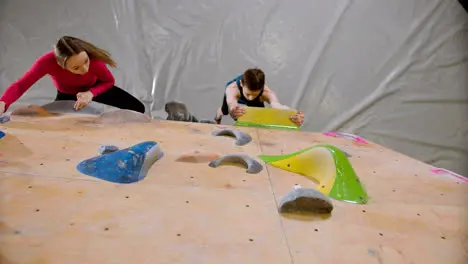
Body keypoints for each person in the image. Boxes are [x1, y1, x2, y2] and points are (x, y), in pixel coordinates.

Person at [0, 36, 145, 115]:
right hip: (67, 94)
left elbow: (108, 81)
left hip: (94, 89)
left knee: (138, 108)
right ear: (61, 65)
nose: (85, 69)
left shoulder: (94, 61)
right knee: (57, 124)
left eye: (86, 61)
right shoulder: (46, 62)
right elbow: (21, 85)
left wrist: (91, 93)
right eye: (76, 67)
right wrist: (3, 102)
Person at [214, 68, 304, 126]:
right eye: (248, 94)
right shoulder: (232, 89)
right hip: (235, 98)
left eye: (254, 95)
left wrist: (293, 114)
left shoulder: (266, 92)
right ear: (241, 84)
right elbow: (231, 104)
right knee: (225, 111)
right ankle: (217, 118)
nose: (251, 98)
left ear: (262, 87)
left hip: (258, 99)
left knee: (259, 119)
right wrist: (233, 110)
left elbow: (277, 106)